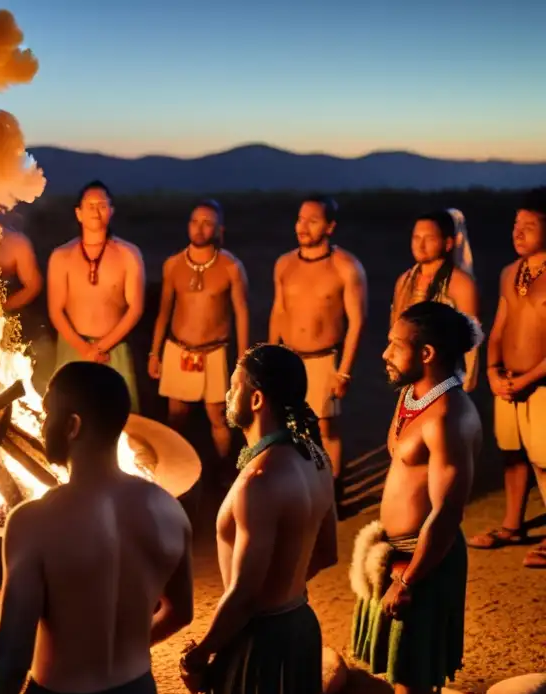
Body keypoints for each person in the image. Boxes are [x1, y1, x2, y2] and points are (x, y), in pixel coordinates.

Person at [0, 362, 194, 694]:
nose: (42, 424)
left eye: (47, 414)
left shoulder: (34, 522)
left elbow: (14, 639)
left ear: (73, 426)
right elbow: (180, 611)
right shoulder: (167, 510)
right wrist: (126, 642)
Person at [180, 344, 337, 694]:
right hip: (298, 622)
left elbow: (244, 594)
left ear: (255, 399)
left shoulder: (260, 481)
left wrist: (200, 653)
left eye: (233, 386)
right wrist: (285, 587)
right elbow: (327, 551)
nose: (227, 395)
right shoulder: (317, 458)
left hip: (257, 638)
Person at [341, 302, 482, 694]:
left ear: (425, 353)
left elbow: (446, 512)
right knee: (401, 655)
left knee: (419, 667)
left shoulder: (447, 416)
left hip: (425, 556)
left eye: (395, 346)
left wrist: (410, 579)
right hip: (394, 548)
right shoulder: (412, 395)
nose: (384, 353)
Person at [269, 195, 367, 504]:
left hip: (325, 358)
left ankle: (332, 493)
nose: (303, 226)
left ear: (330, 226)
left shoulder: (346, 267)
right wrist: (270, 356)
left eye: (312, 220)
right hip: (289, 359)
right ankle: (298, 488)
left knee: (327, 428)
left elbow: (357, 321)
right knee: (288, 427)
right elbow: (278, 311)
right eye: (300, 219)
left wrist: (344, 371)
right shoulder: (284, 263)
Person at [468, 188, 546, 568]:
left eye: (529, 226)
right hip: (509, 382)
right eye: (516, 225)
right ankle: (512, 525)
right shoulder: (509, 273)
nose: (518, 233)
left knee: (545, 460)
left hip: (541, 384)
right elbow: (498, 326)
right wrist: (493, 371)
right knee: (512, 455)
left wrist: (530, 377)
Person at [149, 199, 249, 463]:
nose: (199, 228)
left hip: (213, 350)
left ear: (219, 230)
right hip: (177, 348)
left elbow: (242, 314)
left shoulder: (231, 267)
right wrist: (154, 353)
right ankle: (173, 469)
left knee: (218, 415)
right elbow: (164, 311)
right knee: (176, 415)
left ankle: (224, 471)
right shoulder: (173, 264)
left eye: (207, 223)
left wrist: (243, 361)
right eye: (194, 221)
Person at [47, 181, 146, 412]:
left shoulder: (128, 254)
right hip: (72, 346)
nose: (95, 210)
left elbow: (136, 308)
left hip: (113, 349)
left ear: (111, 211)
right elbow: (55, 309)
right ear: (78, 213)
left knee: (120, 417)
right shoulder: (61, 256)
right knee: (69, 414)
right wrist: (84, 350)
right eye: (89, 205)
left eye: (101, 205)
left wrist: (100, 348)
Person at [390, 209, 479, 391]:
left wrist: (468, 382)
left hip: (446, 380)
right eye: (416, 238)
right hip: (410, 378)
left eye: (429, 239)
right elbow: (396, 327)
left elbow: (473, 339)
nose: (420, 245)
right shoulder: (405, 281)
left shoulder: (460, 283)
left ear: (448, 244)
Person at [0, 219, 54, 395]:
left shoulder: (15, 242)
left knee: (33, 381)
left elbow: (33, 285)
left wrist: (2, 308)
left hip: (20, 326)